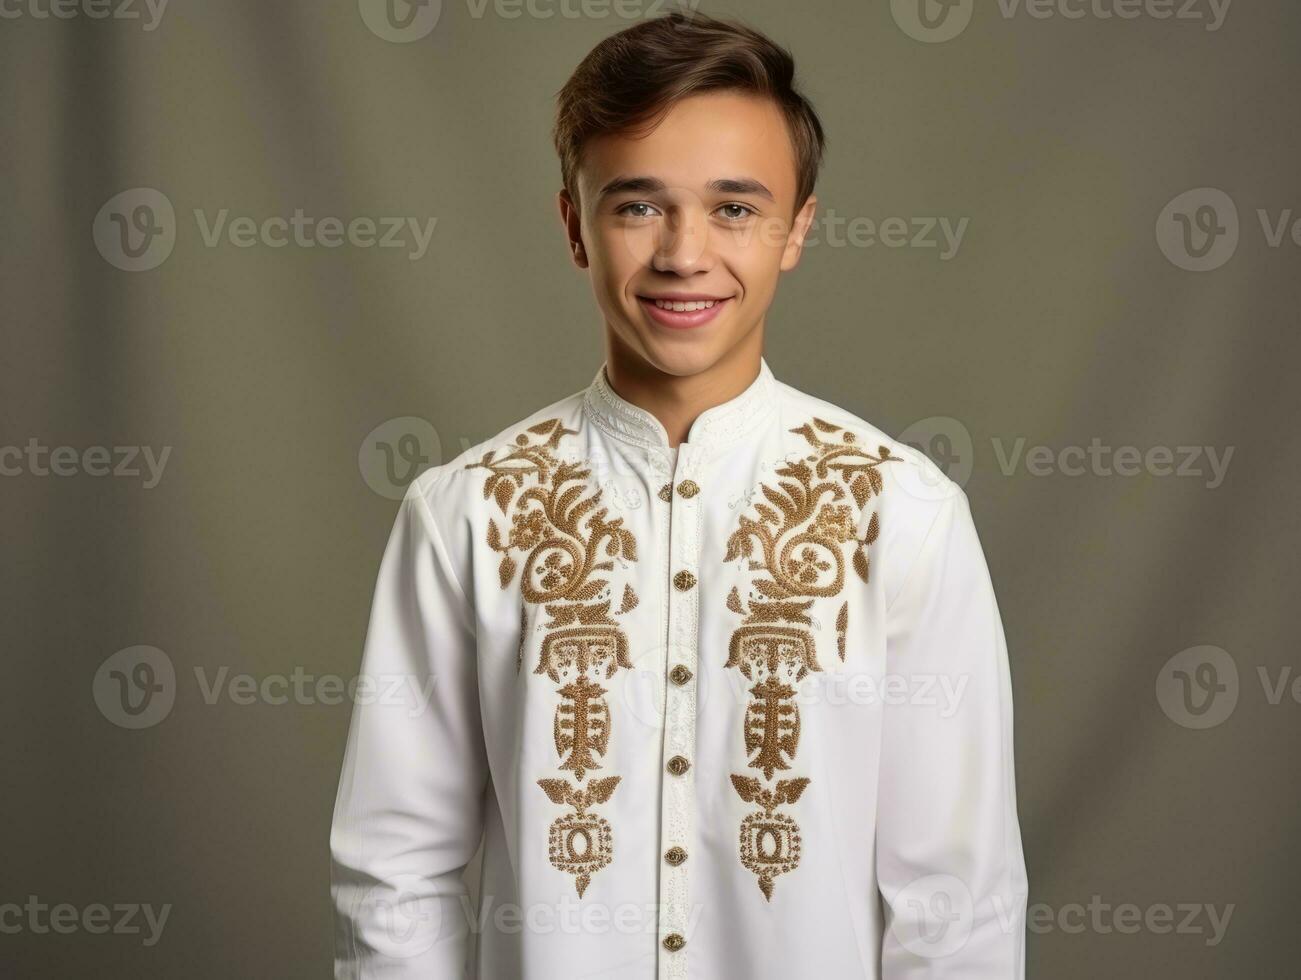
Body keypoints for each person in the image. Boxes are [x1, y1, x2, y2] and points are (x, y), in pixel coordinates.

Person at [331, 11, 1028, 978]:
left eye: (735, 208)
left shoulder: (897, 513)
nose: (683, 253)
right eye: (637, 206)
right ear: (576, 226)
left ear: (797, 229)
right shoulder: (468, 513)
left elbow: (956, 899)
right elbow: (394, 870)